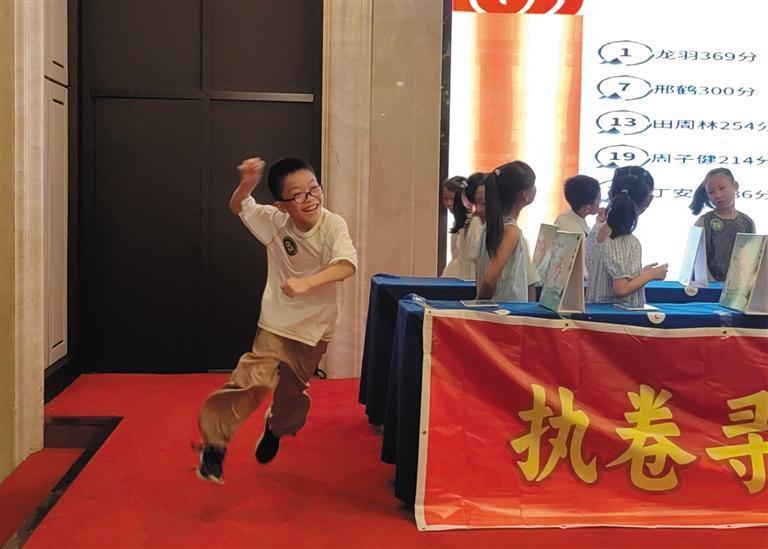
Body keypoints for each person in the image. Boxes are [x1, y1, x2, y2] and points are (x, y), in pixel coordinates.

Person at [196, 157, 357, 484]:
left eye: (314, 189)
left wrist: (307, 284)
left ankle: (276, 428)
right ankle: (215, 445)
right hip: (277, 320)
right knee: (252, 379)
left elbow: (346, 265)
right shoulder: (275, 222)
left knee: (291, 395)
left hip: (315, 329)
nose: (310, 199)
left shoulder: (332, 225)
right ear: (282, 205)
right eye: (298, 195)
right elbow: (238, 206)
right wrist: (246, 185)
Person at [585, 171, 667, 307]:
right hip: (619, 314)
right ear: (647, 201)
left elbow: (608, 272)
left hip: (596, 309)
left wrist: (640, 273)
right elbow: (621, 289)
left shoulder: (599, 228)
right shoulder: (624, 239)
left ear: (611, 195)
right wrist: (652, 275)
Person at [476, 161, 540, 301]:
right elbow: (489, 279)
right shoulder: (510, 231)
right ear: (525, 194)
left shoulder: (491, 224)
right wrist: (479, 304)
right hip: (504, 310)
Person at [689, 168, 756, 281]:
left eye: (722, 188)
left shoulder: (747, 222)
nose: (718, 195)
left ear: (735, 185)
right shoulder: (703, 222)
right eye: (711, 192)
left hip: (738, 286)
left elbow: (751, 259)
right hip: (708, 286)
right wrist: (714, 285)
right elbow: (697, 261)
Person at [442, 172, 486, 279]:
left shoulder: (475, 222)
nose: (448, 203)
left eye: (452, 199)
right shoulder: (461, 222)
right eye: (445, 199)